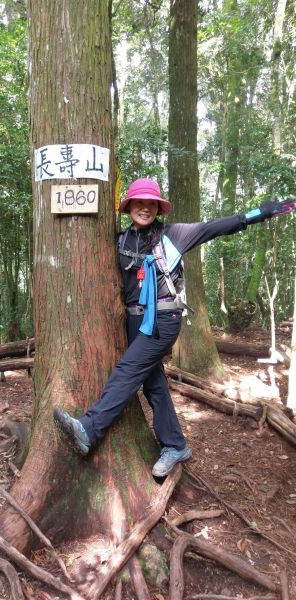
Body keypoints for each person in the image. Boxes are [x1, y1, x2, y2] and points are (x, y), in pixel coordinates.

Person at [54, 178, 295, 477]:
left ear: (158, 208)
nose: (144, 208)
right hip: (133, 321)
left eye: (150, 203)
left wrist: (260, 213)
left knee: (127, 371)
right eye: (139, 203)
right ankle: (175, 444)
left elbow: (214, 227)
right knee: (152, 382)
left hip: (162, 321)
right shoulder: (118, 240)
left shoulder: (173, 235)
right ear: (129, 206)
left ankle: (89, 430)